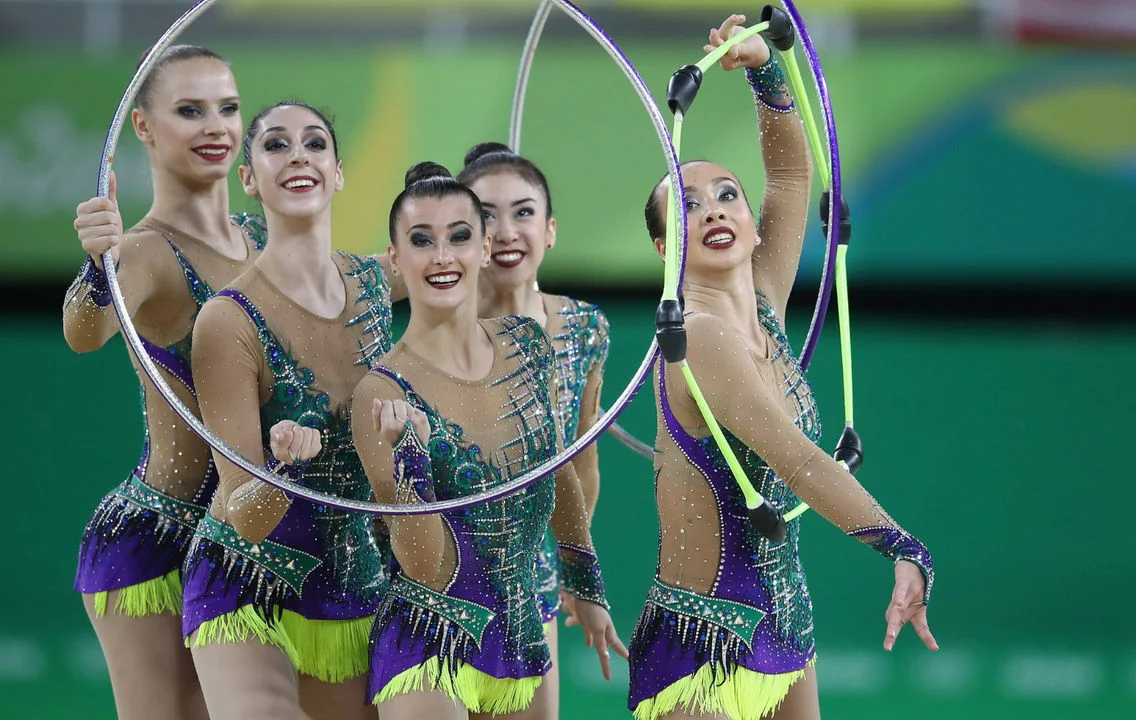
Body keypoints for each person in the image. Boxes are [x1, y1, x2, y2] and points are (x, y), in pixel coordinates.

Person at [627, 16, 938, 720]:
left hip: (786, 628)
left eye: (726, 194)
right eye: (686, 204)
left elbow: (794, 174)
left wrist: (766, 68)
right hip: (700, 642)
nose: (711, 209)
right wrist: (900, 544)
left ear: (754, 221)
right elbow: (795, 459)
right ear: (660, 246)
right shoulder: (697, 336)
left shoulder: (764, 303)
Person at [351, 162, 627, 719]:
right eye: (422, 241)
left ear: (482, 248)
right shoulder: (379, 389)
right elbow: (425, 567)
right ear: (397, 260)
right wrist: (410, 456)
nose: (443, 256)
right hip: (429, 639)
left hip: (519, 628)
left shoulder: (527, 342)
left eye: (459, 237)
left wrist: (586, 585)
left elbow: (560, 475)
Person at [66, 45, 264, 720]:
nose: (216, 126)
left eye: (228, 108)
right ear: (143, 128)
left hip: (251, 533)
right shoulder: (146, 251)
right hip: (157, 545)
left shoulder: (264, 239)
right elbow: (85, 330)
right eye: (189, 110)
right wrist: (99, 264)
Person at [184, 100, 395, 720]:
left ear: (337, 172)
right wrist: (281, 469)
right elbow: (244, 512)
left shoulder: (378, 285)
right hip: (247, 579)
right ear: (247, 179)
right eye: (276, 145)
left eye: (314, 143)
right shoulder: (226, 321)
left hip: (349, 583)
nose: (298, 154)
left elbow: (483, 257)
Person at [458, 142, 610, 717]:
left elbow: (582, 460)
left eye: (523, 212)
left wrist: (577, 568)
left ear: (549, 231)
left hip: (530, 578)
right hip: (433, 577)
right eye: (485, 215)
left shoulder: (585, 327)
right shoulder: (436, 327)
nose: (505, 231)